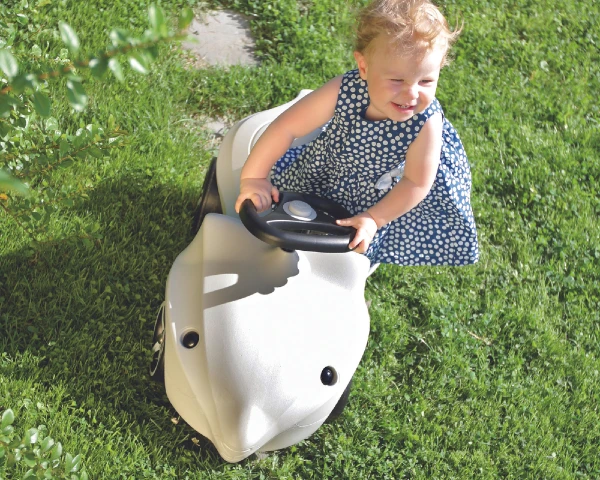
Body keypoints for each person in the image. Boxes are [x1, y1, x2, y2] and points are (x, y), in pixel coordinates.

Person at [235, 0, 479, 267]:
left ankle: (346, 268)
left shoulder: (426, 122)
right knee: (292, 209)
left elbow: (416, 183)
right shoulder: (346, 89)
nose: (411, 94)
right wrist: (255, 178)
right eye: (397, 80)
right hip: (326, 169)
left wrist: (374, 218)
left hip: (377, 195)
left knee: (353, 247)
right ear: (364, 67)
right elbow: (287, 127)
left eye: (426, 81)